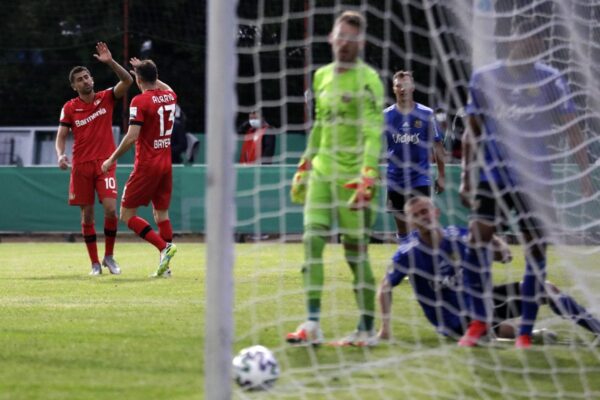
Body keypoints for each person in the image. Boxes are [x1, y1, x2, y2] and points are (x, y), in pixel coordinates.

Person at [458, 19, 593, 348]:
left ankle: (524, 334)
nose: (532, 46)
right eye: (528, 40)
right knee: (477, 243)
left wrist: (584, 173)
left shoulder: (550, 79)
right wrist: (465, 178)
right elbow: (472, 131)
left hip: (536, 182)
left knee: (536, 253)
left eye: (539, 43)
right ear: (513, 39)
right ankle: (478, 323)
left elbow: (571, 127)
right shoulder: (485, 78)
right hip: (494, 176)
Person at [286, 10, 384, 347]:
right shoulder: (321, 77)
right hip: (323, 174)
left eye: (352, 38)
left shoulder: (369, 80)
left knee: (355, 255)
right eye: (340, 36)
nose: (344, 43)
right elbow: (320, 125)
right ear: (331, 38)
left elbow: (374, 131)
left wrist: (369, 174)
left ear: (361, 43)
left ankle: (366, 328)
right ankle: (312, 323)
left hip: (355, 181)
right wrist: (305, 162)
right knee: (311, 241)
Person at [377, 196, 600, 342]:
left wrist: (501, 250)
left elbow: (491, 242)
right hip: (454, 320)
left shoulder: (457, 235)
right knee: (493, 331)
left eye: (425, 211)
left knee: (545, 288)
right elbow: (385, 287)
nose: (422, 217)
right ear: (411, 222)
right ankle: (528, 334)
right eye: (416, 215)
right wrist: (385, 328)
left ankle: (595, 327)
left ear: (435, 212)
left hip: (481, 303)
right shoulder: (408, 253)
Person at [55, 42, 133, 276]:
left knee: (110, 210)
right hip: (80, 166)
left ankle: (109, 256)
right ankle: (94, 263)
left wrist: (110, 62)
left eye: (87, 76)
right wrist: (60, 155)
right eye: (79, 79)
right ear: (73, 86)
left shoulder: (106, 97)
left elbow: (128, 81)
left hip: (105, 163)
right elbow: (61, 136)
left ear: (92, 79)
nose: (85, 81)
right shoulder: (69, 108)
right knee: (87, 215)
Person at [101, 58, 177, 277]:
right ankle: (166, 267)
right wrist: (146, 72)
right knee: (161, 214)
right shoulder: (170, 96)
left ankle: (164, 248)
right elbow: (166, 87)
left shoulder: (139, 101)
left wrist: (111, 159)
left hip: (146, 165)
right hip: (165, 164)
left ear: (138, 79)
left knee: (126, 215)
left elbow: (132, 136)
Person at [384, 71, 446, 243]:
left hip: (420, 178)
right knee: (402, 227)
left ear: (413, 88)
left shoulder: (426, 114)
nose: (402, 89)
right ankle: (406, 260)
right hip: (395, 179)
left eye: (406, 85)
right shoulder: (386, 115)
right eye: (398, 85)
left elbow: (438, 146)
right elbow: (373, 144)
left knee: (424, 224)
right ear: (394, 89)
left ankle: (429, 262)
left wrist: (441, 176)